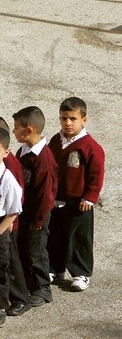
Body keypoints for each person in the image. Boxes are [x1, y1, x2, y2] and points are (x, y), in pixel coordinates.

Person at [47, 97, 105, 292]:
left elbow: (96, 175)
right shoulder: (57, 140)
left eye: (73, 118)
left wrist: (90, 197)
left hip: (80, 203)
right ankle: (55, 268)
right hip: (57, 200)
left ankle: (81, 273)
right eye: (64, 118)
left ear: (84, 120)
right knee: (56, 235)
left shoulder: (90, 147)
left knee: (79, 238)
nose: (68, 123)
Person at [0, 116, 30, 317]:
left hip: (7, 223)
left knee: (9, 264)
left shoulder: (11, 165)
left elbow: (18, 197)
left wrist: (7, 225)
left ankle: (20, 298)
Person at [12, 106, 57, 307]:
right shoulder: (24, 150)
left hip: (37, 216)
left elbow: (46, 195)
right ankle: (30, 284)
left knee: (36, 251)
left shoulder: (43, 159)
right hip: (25, 212)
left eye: (16, 128)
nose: (13, 132)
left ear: (29, 130)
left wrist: (38, 220)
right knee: (25, 248)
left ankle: (42, 288)